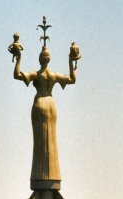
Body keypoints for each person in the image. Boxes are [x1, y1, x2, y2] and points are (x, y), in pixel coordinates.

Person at [13, 41, 80, 189]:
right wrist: (71, 61)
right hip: (51, 104)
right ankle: (52, 176)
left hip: (39, 105)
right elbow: (72, 80)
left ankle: (40, 176)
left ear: (40, 59)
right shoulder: (54, 75)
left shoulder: (36, 75)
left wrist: (18, 57)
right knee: (51, 140)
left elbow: (17, 75)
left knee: (40, 141)